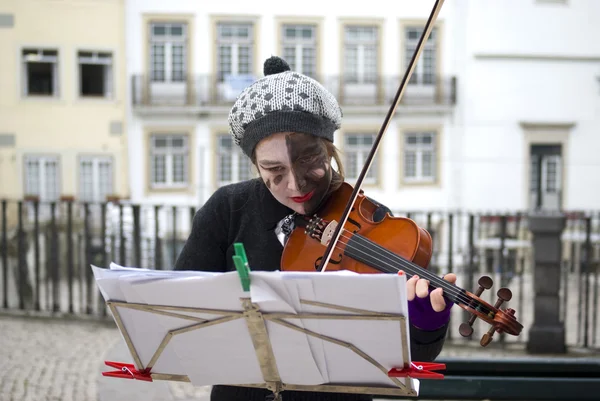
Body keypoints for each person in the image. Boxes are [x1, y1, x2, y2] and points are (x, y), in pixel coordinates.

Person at [174, 56, 456, 401]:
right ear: (255, 165)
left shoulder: (371, 224)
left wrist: (425, 322)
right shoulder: (227, 210)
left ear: (329, 150)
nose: (296, 184)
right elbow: (182, 312)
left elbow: (413, 359)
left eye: (309, 159)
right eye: (274, 169)